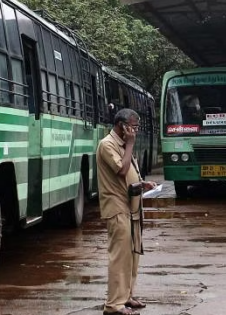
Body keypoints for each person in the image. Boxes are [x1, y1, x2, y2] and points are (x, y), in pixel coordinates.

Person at [96, 108, 157, 315]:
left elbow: (129, 175)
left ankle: (126, 296)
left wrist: (142, 184)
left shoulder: (123, 144)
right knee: (119, 256)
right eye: (133, 127)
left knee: (132, 255)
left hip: (131, 206)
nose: (135, 132)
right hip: (117, 207)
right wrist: (130, 144)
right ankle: (114, 304)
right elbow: (121, 170)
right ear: (122, 126)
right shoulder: (107, 145)